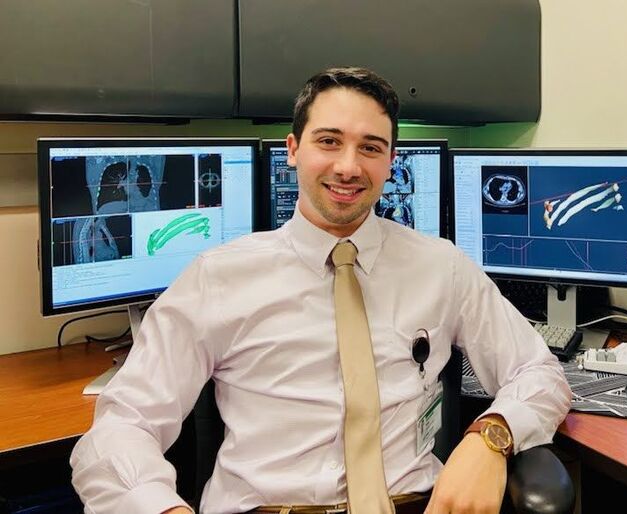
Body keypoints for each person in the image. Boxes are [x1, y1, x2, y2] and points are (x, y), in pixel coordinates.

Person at [70, 67, 572, 514]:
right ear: (293, 150)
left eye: (370, 147)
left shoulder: (441, 266)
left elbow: (539, 371)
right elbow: (121, 427)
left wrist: (491, 437)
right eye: (328, 141)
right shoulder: (217, 277)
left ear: (391, 160)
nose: (349, 167)